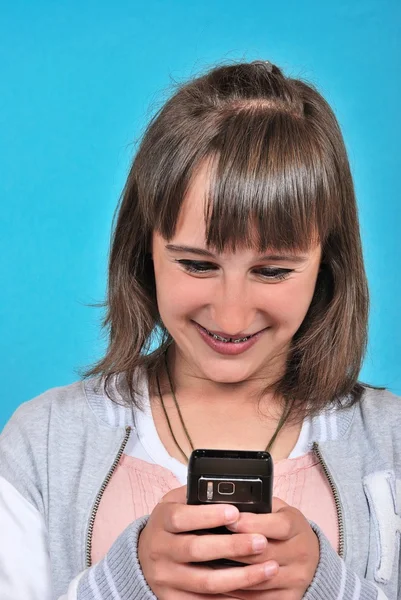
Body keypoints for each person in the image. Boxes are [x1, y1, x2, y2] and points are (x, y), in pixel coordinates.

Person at [0, 59, 399, 600]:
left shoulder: (391, 442)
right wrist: (125, 582)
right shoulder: (42, 443)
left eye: (273, 271)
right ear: (144, 250)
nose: (232, 318)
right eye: (198, 264)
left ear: (329, 264)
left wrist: (327, 586)